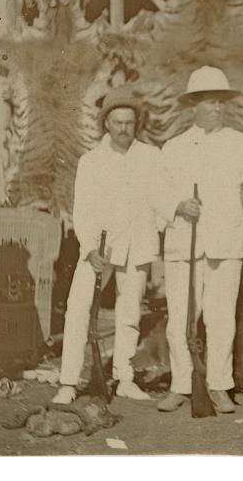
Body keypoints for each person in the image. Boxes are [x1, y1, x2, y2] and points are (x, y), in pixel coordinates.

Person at [154, 66, 243, 414]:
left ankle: (218, 387)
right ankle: (182, 385)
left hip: (225, 243)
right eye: (211, 103)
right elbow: (155, 191)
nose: (218, 109)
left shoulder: (239, 144)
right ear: (194, 106)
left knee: (220, 318)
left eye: (221, 103)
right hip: (183, 243)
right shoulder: (173, 148)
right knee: (181, 319)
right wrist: (178, 205)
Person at [53, 85, 160, 404]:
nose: (124, 128)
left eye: (129, 122)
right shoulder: (91, 161)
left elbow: (161, 198)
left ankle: (123, 377)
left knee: (129, 312)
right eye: (117, 123)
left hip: (138, 242)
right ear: (106, 124)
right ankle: (69, 382)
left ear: (136, 124)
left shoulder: (151, 157)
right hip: (100, 247)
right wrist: (89, 249)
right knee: (78, 309)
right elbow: (82, 209)